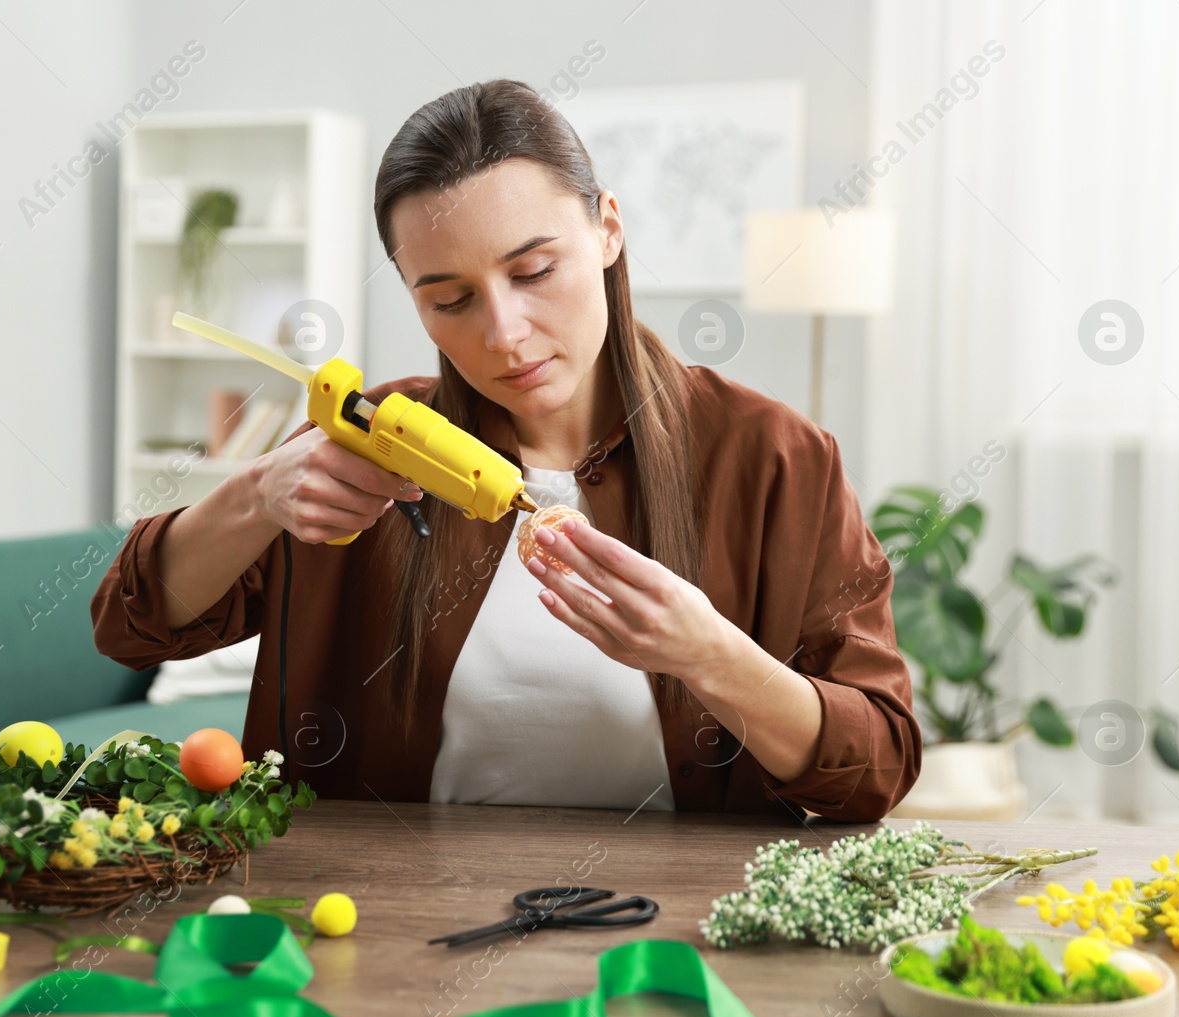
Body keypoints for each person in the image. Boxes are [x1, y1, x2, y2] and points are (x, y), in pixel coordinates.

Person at [91, 79, 918, 823]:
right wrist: (255, 494)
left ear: (608, 229)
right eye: (449, 299)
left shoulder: (777, 457)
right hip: (387, 930)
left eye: (533, 271)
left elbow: (876, 767)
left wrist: (708, 654)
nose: (503, 335)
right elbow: (131, 626)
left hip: (680, 933)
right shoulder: (370, 439)